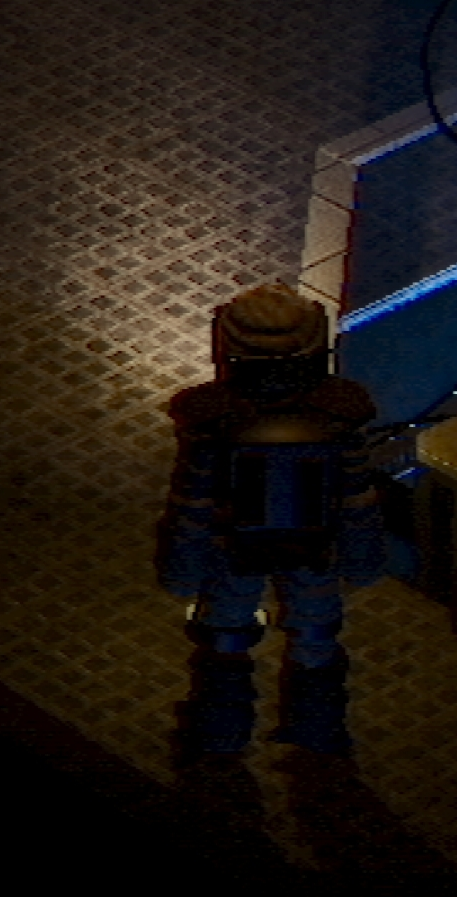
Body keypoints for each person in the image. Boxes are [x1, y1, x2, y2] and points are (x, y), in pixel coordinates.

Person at [156, 282, 391, 758]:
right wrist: (364, 562)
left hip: (232, 554)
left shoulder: (212, 419)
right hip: (313, 554)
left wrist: (182, 570)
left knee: (226, 639)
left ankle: (221, 737)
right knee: (314, 638)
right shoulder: (337, 413)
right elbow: (356, 499)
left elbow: (193, 504)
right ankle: (314, 734)